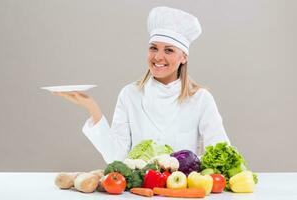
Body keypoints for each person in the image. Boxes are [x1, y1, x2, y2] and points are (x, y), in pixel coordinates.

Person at [54, 6, 230, 164]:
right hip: (139, 192)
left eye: (169, 50)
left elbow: (220, 153)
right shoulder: (130, 94)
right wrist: (91, 107)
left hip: (182, 191)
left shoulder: (201, 99)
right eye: (154, 48)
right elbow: (116, 157)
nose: (158, 57)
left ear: (183, 57)